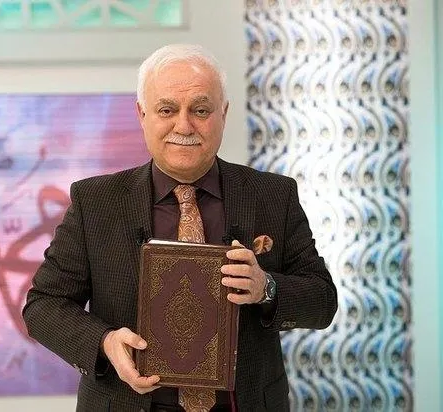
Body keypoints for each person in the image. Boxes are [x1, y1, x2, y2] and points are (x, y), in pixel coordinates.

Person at [22, 44, 338, 412]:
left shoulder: (273, 195)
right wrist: (104, 342)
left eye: (200, 110)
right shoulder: (96, 202)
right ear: (142, 114)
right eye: (167, 110)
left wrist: (265, 287)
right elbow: (43, 305)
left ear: (223, 114)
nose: (184, 126)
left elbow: (323, 301)